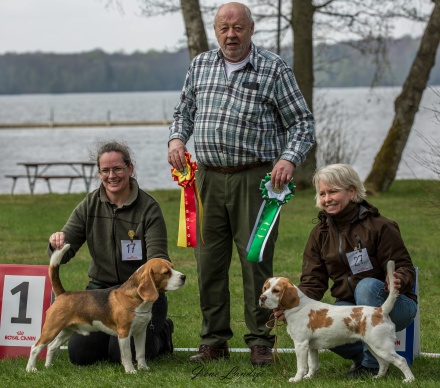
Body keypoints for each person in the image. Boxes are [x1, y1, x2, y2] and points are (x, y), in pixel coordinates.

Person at [168, 2, 315, 366]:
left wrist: (288, 158)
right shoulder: (200, 65)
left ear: (251, 29)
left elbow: (302, 123)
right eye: (223, 28)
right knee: (209, 263)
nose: (230, 35)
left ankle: (261, 341)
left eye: (237, 27)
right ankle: (213, 341)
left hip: (256, 180)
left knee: (255, 263)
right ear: (216, 30)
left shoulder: (273, 68)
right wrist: (176, 140)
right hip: (207, 179)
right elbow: (183, 112)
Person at [276, 163, 418, 377]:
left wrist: (399, 280)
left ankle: (370, 366)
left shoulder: (381, 226)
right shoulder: (319, 234)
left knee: (366, 287)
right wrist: (290, 305)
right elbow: (312, 281)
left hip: (393, 305)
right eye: (322, 193)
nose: (327, 199)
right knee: (321, 324)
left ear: (352, 191)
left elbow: (404, 267)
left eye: (333, 191)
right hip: (350, 308)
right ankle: (367, 356)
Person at [48, 140, 174, 366]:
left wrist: (133, 290)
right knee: (80, 356)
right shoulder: (89, 204)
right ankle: (110, 338)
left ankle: (163, 331)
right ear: (99, 173)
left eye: (117, 168)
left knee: (120, 356)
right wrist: (57, 242)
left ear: (130, 168)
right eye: (105, 170)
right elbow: (66, 250)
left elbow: (159, 258)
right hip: (100, 295)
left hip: (141, 293)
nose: (111, 175)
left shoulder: (149, 207)